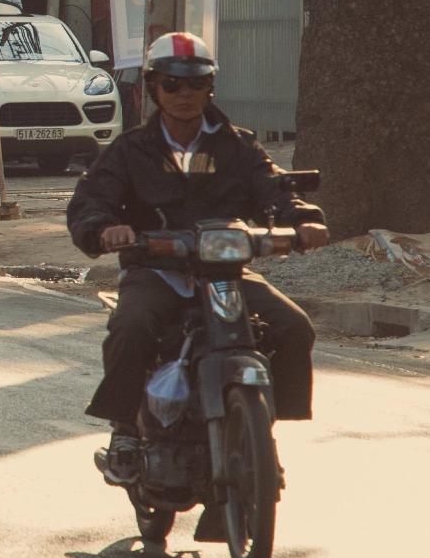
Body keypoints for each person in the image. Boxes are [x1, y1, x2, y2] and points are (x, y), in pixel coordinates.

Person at [66, 31, 328, 488]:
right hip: (156, 272)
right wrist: (106, 228)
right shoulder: (130, 150)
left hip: (226, 272)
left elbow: (273, 188)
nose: (184, 94)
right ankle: (125, 432)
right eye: (172, 84)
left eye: (195, 83)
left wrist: (302, 220)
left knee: (293, 327)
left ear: (210, 86)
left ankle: (258, 435)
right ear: (153, 87)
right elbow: (91, 201)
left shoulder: (238, 146)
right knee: (130, 327)